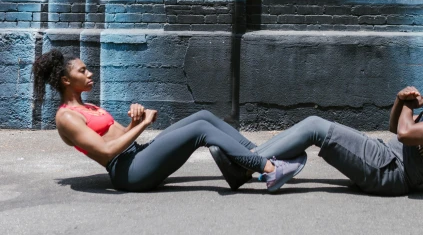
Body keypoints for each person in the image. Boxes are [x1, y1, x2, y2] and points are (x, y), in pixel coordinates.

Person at [32, 50, 306, 193]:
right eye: (83, 71)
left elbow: (116, 137)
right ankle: (269, 168)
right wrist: (143, 125)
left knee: (202, 116)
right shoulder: (66, 118)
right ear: (67, 80)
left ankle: (252, 158)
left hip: (135, 156)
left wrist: (133, 121)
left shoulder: (88, 105)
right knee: (200, 130)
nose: (90, 73)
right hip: (128, 173)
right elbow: (105, 152)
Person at [214, 63, 423, 195]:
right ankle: (251, 161)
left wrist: (408, 106)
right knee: (313, 125)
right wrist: (401, 101)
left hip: (391, 173)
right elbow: (395, 128)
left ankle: (246, 165)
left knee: (316, 127)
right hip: (384, 157)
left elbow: (405, 135)